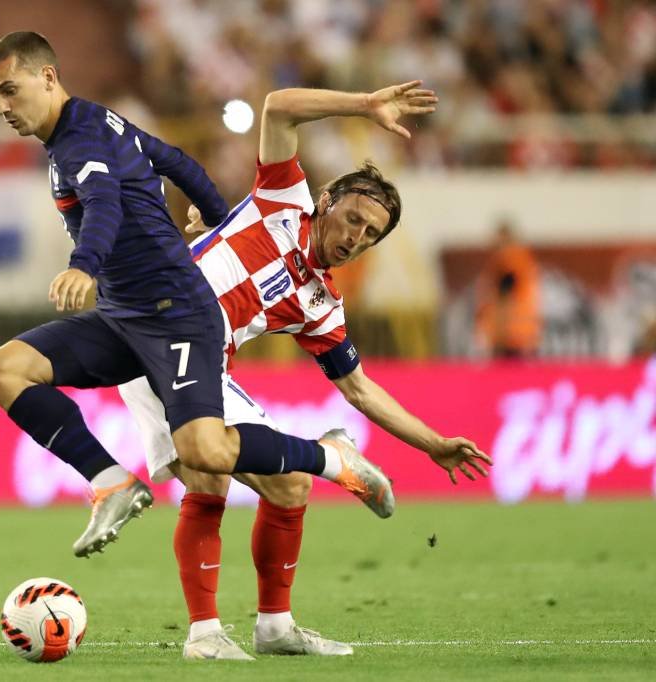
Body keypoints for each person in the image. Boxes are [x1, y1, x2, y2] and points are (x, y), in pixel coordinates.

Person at [118, 80, 493, 659]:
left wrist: (432, 443)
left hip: (188, 360)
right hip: (162, 337)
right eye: (352, 219)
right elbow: (278, 107)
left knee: (274, 485)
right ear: (325, 200)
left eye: (370, 235)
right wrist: (366, 106)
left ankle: (265, 628)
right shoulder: (282, 199)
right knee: (219, 472)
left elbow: (360, 389)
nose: (355, 237)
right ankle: (211, 632)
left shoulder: (320, 306)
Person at [0, 32, 388, 558]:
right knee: (3, 370)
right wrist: (218, 226)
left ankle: (331, 457)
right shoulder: (97, 122)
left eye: (9, 90)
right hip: (126, 313)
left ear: (48, 77)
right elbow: (178, 162)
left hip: (176, 313)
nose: (2, 107)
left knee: (204, 451)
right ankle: (111, 483)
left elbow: (103, 203)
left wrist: (84, 265)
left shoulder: (80, 139)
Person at [474, 220, 542, 358]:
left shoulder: (509, 260)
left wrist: (497, 332)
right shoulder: (523, 259)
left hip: (509, 336)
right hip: (522, 335)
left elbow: (504, 298)